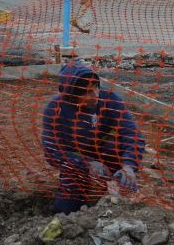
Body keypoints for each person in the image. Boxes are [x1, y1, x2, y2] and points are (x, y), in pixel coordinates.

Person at [42, 61, 145, 214]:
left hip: (103, 151)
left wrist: (129, 166)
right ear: (71, 95)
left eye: (96, 88)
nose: (95, 95)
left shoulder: (109, 99)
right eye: (87, 92)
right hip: (76, 161)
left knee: (116, 148)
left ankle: (119, 182)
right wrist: (87, 164)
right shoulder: (55, 109)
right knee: (65, 209)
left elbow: (132, 133)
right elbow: (51, 151)